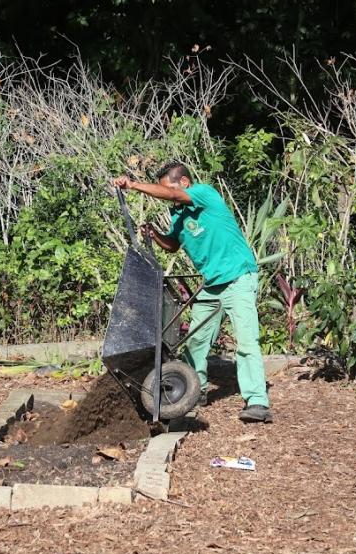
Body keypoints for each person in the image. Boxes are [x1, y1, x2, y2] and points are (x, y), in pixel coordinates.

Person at [113, 162, 273, 424]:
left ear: (184, 183)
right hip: (211, 285)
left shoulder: (204, 194)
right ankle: (193, 390)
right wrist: (155, 235)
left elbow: (174, 195)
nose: (166, 195)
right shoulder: (178, 216)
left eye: (167, 189)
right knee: (196, 341)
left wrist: (133, 185)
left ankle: (257, 402)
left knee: (246, 342)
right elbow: (173, 245)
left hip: (238, 278)